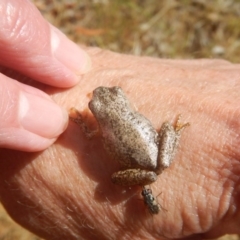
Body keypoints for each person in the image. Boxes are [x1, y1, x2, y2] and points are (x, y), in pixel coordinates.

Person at [0, 1, 239, 239]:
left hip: (148, 158)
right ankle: (172, 135)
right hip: (154, 154)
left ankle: (163, 148)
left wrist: (83, 122)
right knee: (165, 134)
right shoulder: (116, 118)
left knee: (128, 173)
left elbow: (90, 134)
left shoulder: (100, 129)